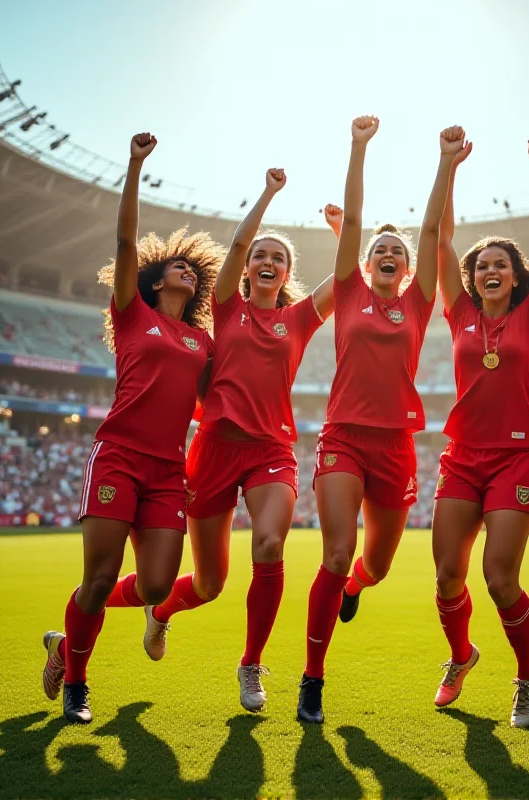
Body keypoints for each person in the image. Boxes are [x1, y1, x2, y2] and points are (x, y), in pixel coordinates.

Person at [141, 171, 339, 714]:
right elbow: (235, 243)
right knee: (207, 584)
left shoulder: (297, 321)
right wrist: (270, 194)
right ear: (249, 267)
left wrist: (345, 232)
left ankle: (251, 664)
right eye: (260, 255)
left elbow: (347, 279)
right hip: (213, 450)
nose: (267, 260)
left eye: (279, 256)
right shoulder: (227, 307)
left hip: (271, 450)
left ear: (288, 273)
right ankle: (158, 614)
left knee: (271, 546)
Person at [41, 132, 221, 723]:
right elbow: (124, 239)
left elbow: (222, 391)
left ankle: (65, 643)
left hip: (168, 470)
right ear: (153, 280)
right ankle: (77, 681)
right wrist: (134, 166)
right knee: (98, 579)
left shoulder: (201, 340)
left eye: (193, 270)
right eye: (176, 267)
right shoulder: (131, 314)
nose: (186, 272)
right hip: (118, 454)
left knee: (154, 588)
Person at [296, 117, 465, 724]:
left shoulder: (419, 302)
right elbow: (359, 220)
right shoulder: (348, 293)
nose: (390, 253)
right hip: (343, 438)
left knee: (377, 566)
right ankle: (312, 679)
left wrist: (445, 162)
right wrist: (357, 148)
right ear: (365, 265)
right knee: (335, 553)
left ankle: (355, 588)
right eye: (379, 251)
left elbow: (427, 230)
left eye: (397, 251)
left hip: (397, 445)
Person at [429, 139, 529, 728]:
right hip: (461, 458)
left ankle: (528, 674)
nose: (489, 271)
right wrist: (447, 167)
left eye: (500, 265)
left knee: (499, 577)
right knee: (447, 575)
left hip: (513, 459)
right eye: (481, 266)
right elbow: (439, 239)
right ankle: (461, 656)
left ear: (515, 277)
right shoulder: (458, 313)